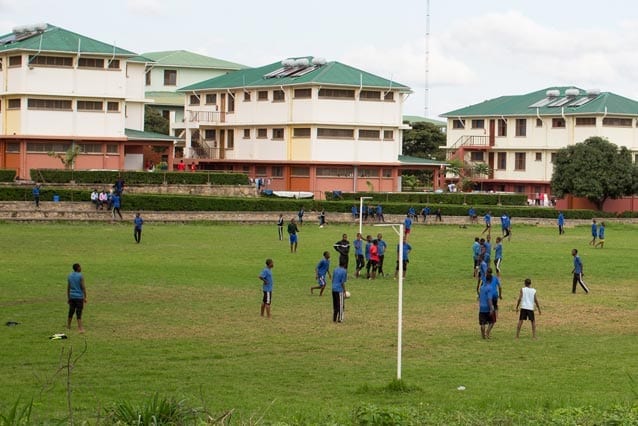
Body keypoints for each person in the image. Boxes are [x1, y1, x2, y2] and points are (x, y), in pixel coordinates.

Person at [67, 263, 87, 333]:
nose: (81, 268)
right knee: (79, 312)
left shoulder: (70, 276)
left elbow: (68, 287)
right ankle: (80, 328)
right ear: (78, 268)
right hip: (79, 297)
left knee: (71, 311)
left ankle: (68, 326)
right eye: (80, 267)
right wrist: (85, 296)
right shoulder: (80, 276)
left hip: (72, 296)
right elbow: (83, 287)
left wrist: (68, 297)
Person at [478, 273, 495, 339]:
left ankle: (483, 336)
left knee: (482, 323)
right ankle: (487, 333)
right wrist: (491, 308)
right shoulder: (490, 288)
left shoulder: (482, 287)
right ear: (491, 279)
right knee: (492, 321)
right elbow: (489, 299)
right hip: (487, 307)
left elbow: (480, 297)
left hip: (481, 307)